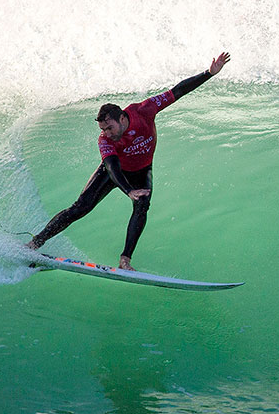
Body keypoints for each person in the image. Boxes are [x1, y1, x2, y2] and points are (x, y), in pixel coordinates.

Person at [26, 52, 231, 271]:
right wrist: (127, 190)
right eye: (102, 129)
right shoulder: (105, 140)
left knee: (142, 206)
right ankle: (34, 243)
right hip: (114, 172)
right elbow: (112, 167)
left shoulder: (145, 110)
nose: (106, 133)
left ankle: (125, 261)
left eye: (109, 127)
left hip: (141, 170)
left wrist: (209, 73)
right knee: (80, 208)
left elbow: (177, 91)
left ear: (122, 118)